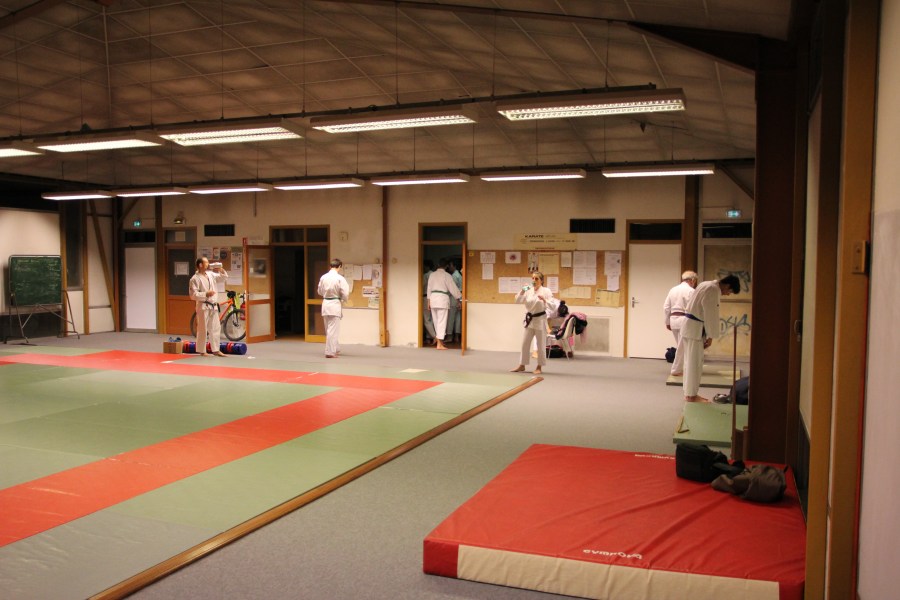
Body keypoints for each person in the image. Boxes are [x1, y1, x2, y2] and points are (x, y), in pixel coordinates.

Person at [681, 275, 741, 402]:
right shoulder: (713, 290)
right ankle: (691, 396)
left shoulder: (705, 284)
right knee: (694, 364)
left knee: (689, 363)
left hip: (690, 327)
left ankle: (689, 393)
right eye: (730, 291)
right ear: (727, 285)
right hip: (695, 329)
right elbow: (711, 314)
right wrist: (711, 336)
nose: (727, 294)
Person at [510, 271, 556, 375]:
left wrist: (545, 300)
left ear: (541, 281)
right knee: (525, 343)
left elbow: (553, 307)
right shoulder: (528, 290)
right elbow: (517, 301)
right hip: (530, 320)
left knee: (540, 345)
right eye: (533, 278)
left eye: (536, 279)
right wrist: (522, 290)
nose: (534, 280)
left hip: (540, 320)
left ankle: (539, 366)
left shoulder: (546, 291)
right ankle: (522, 365)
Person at [189, 256, 229, 357]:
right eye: (206, 262)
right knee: (203, 329)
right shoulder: (194, 278)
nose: (208, 264)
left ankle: (216, 350)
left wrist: (221, 270)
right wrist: (206, 294)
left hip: (213, 306)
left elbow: (223, 278)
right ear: (200, 265)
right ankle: (202, 351)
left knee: (215, 328)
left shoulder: (210, 274)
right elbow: (193, 295)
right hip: (203, 306)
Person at [663, 270, 699, 377]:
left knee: (682, 345)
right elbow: (694, 308)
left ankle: (685, 368)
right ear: (692, 280)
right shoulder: (691, 291)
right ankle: (676, 370)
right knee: (682, 347)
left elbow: (666, 307)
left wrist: (667, 321)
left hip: (674, 319)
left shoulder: (673, 290)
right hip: (685, 319)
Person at [317, 258, 350, 358]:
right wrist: (344, 299)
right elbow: (345, 293)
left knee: (329, 329)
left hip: (325, 303)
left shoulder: (323, 277)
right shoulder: (340, 278)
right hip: (335, 304)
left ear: (330, 266)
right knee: (333, 330)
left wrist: (326, 294)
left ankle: (336, 348)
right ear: (339, 266)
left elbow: (319, 291)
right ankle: (330, 352)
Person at [426, 258, 461, 350]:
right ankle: (439, 344)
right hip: (442, 300)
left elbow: (429, 288)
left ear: (438, 265)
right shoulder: (447, 275)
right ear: (446, 266)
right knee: (441, 322)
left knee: (436, 322)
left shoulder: (432, 275)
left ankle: (439, 342)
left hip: (433, 299)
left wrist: (428, 302)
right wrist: (459, 299)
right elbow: (453, 288)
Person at [422, 260, 437, 345]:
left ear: (427, 266)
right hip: (434, 298)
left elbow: (421, 285)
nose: (423, 268)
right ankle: (428, 338)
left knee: (427, 319)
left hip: (426, 297)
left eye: (424, 266)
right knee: (432, 319)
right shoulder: (434, 274)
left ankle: (435, 337)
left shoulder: (426, 275)